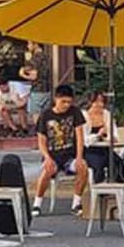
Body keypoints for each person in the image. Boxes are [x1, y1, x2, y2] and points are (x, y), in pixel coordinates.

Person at [33, 84, 88, 216]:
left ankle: (76, 202)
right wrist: (47, 157)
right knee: (47, 170)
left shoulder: (75, 112)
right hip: (52, 155)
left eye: (69, 102)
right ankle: (37, 203)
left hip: (70, 156)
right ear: (56, 99)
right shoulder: (45, 115)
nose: (66, 105)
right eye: (63, 101)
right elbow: (41, 141)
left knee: (83, 167)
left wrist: (79, 157)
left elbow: (80, 137)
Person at [82, 91, 117, 183]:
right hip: (89, 150)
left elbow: (113, 133)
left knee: (117, 161)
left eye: (102, 101)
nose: (100, 104)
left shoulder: (107, 114)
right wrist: (98, 135)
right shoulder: (84, 116)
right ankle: (98, 187)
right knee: (98, 164)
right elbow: (84, 139)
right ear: (90, 102)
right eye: (96, 101)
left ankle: (115, 185)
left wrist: (110, 137)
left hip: (105, 149)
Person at [20, 41, 50, 130]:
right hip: (47, 88)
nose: (28, 46)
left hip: (37, 89)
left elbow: (34, 76)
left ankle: (39, 132)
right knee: (45, 114)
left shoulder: (35, 58)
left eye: (29, 44)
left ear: (35, 44)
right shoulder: (47, 56)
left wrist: (22, 74)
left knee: (36, 114)